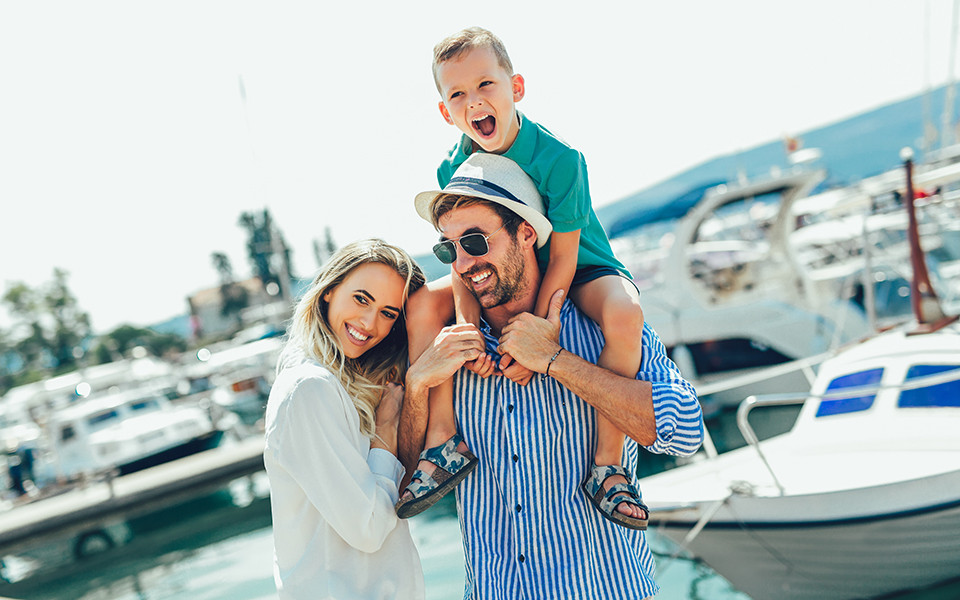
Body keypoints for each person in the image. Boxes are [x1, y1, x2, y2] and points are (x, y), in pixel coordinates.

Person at [398, 156, 703, 599]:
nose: (462, 263)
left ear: (526, 233)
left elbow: (685, 434)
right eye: (449, 250)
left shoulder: (604, 325)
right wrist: (416, 385)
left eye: (475, 242)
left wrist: (556, 360)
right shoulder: (444, 354)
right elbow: (401, 474)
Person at [400, 26, 648, 528]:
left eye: (485, 84)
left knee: (625, 311)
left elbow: (564, 257)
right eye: (457, 95)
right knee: (423, 303)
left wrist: (534, 333)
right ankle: (443, 440)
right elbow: (461, 258)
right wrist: (468, 331)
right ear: (445, 112)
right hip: (502, 267)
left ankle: (608, 465)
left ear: (516, 87)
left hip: (581, 267)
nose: (474, 102)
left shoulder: (560, 159)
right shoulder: (453, 167)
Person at [263, 238, 427, 600]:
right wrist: (385, 431)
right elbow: (367, 528)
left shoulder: (340, 384)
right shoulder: (309, 389)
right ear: (329, 290)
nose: (369, 323)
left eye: (388, 313)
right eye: (361, 299)